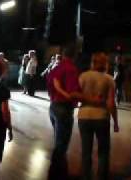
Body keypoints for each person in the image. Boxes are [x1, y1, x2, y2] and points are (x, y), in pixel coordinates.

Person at [77, 52, 119, 180]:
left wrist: (88, 99)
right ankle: (101, 177)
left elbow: (76, 95)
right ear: (105, 64)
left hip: (84, 116)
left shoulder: (83, 76)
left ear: (93, 62)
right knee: (103, 151)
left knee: (86, 151)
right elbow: (111, 103)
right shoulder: (109, 79)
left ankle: (86, 176)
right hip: (101, 117)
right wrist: (116, 122)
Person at [46, 45, 81, 180]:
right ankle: (56, 175)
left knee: (58, 141)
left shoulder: (56, 68)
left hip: (53, 107)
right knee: (61, 144)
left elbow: (51, 84)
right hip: (64, 109)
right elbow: (72, 93)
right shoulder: (71, 69)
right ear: (74, 56)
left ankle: (59, 172)